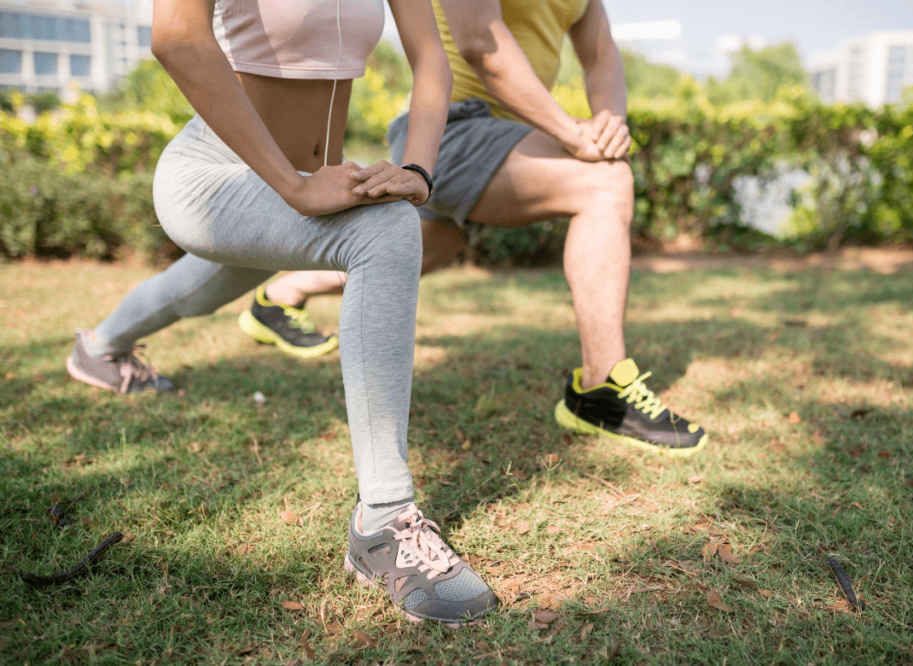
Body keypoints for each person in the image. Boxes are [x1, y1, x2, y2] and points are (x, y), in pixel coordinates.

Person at [66, 0, 497, 626]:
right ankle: (382, 520)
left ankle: (101, 346)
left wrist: (419, 172)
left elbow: (431, 57)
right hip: (213, 178)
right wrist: (293, 187)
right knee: (385, 231)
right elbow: (176, 38)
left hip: (297, 185)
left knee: (201, 290)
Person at [236, 0, 709, 457]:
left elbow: (602, 54)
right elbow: (479, 40)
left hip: (507, 138)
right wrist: (571, 132)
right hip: (450, 131)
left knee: (429, 245)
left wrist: (609, 124)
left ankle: (279, 297)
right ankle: (601, 389)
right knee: (606, 183)